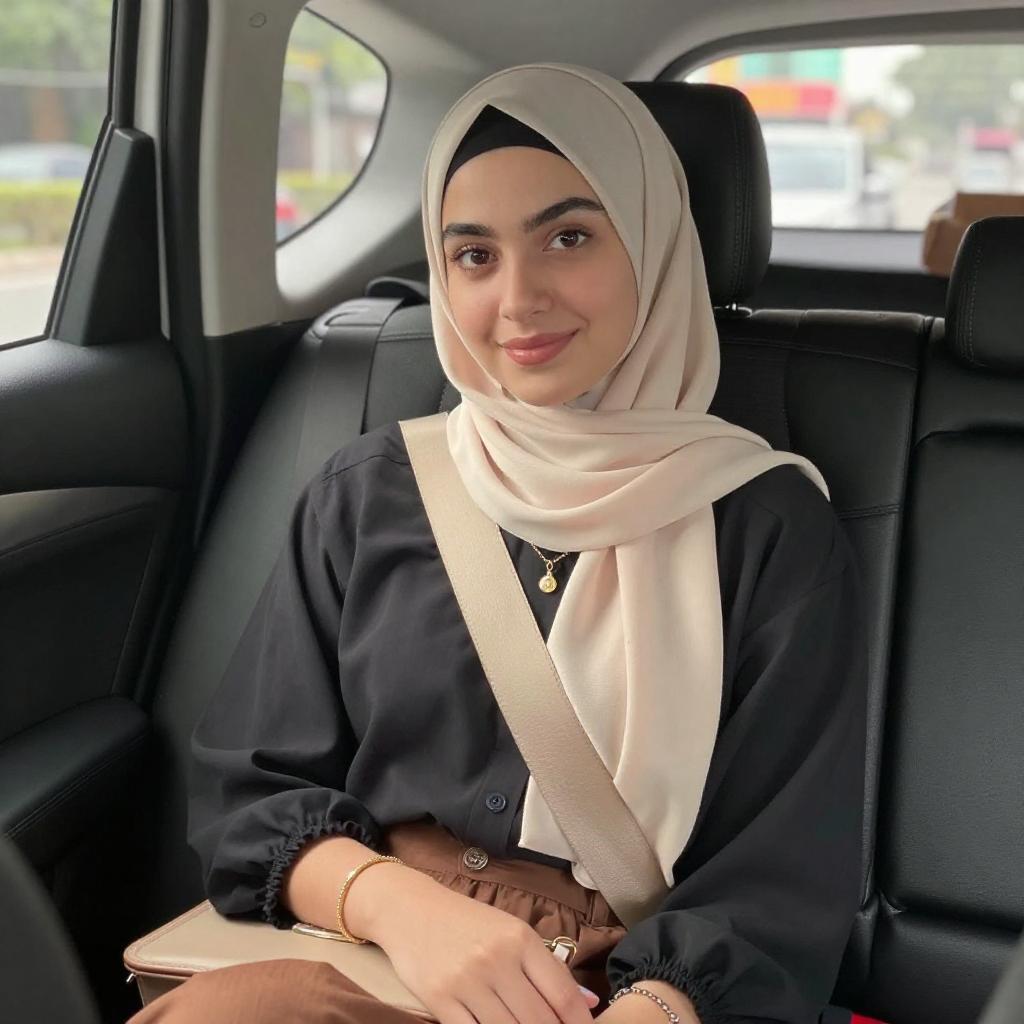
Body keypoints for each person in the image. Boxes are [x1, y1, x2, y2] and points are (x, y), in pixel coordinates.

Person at [127, 63, 867, 1024]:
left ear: (653, 244)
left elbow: (776, 884)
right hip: (367, 946)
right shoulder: (368, 495)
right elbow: (247, 793)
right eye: (474, 255)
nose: (518, 300)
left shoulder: (767, 530)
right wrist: (402, 910)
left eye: (569, 237)